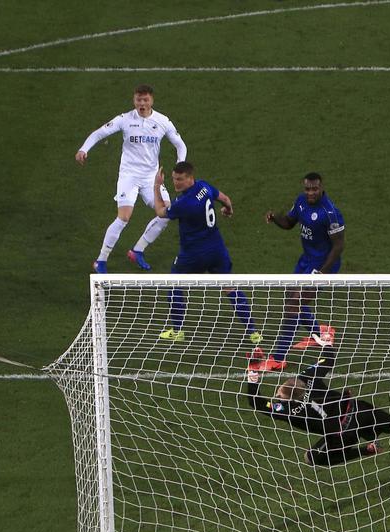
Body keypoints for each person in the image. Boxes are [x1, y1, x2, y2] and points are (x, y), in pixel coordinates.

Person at [245, 343, 390, 476]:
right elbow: (327, 360)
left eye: (278, 395)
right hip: (357, 409)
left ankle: (366, 450)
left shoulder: (288, 409)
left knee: (312, 457)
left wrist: (252, 374)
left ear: (285, 398)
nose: (277, 396)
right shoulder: (306, 379)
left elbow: (256, 402)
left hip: (341, 431)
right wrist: (326, 342)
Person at [76, 84, 187, 273]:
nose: (141, 103)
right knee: (124, 217)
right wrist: (84, 149)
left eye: (145, 100)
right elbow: (100, 133)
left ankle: (138, 250)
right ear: (134, 100)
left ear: (152, 100)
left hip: (151, 178)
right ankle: (100, 261)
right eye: (138, 100)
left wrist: (179, 165)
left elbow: (180, 145)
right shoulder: (125, 119)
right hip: (129, 175)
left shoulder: (162, 121)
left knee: (167, 213)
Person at [152, 162, 262, 344]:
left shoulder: (184, 203)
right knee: (230, 287)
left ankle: (177, 330)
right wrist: (229, 209)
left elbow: (160, 211)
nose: (175, 183)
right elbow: (225, 199)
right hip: (217, 250)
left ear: (190, 178)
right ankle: (253, 332)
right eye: (173, 179)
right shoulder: (204, 186)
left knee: (174, 284)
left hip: (192, 256)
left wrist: (157, 186)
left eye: (179, 179)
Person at [260, 173, 345, 371]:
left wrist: (322, 273)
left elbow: (339, 245)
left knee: (294, 303)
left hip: (324, 265)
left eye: (314, 189)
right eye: (307, 189)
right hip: (306, 260)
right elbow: (289, 223)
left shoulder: (330, 212)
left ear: (321, 188)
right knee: (291, 295)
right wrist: (275, 218)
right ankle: (320, 334)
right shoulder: (301, 202)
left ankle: (278, 357)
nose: (311, 193)